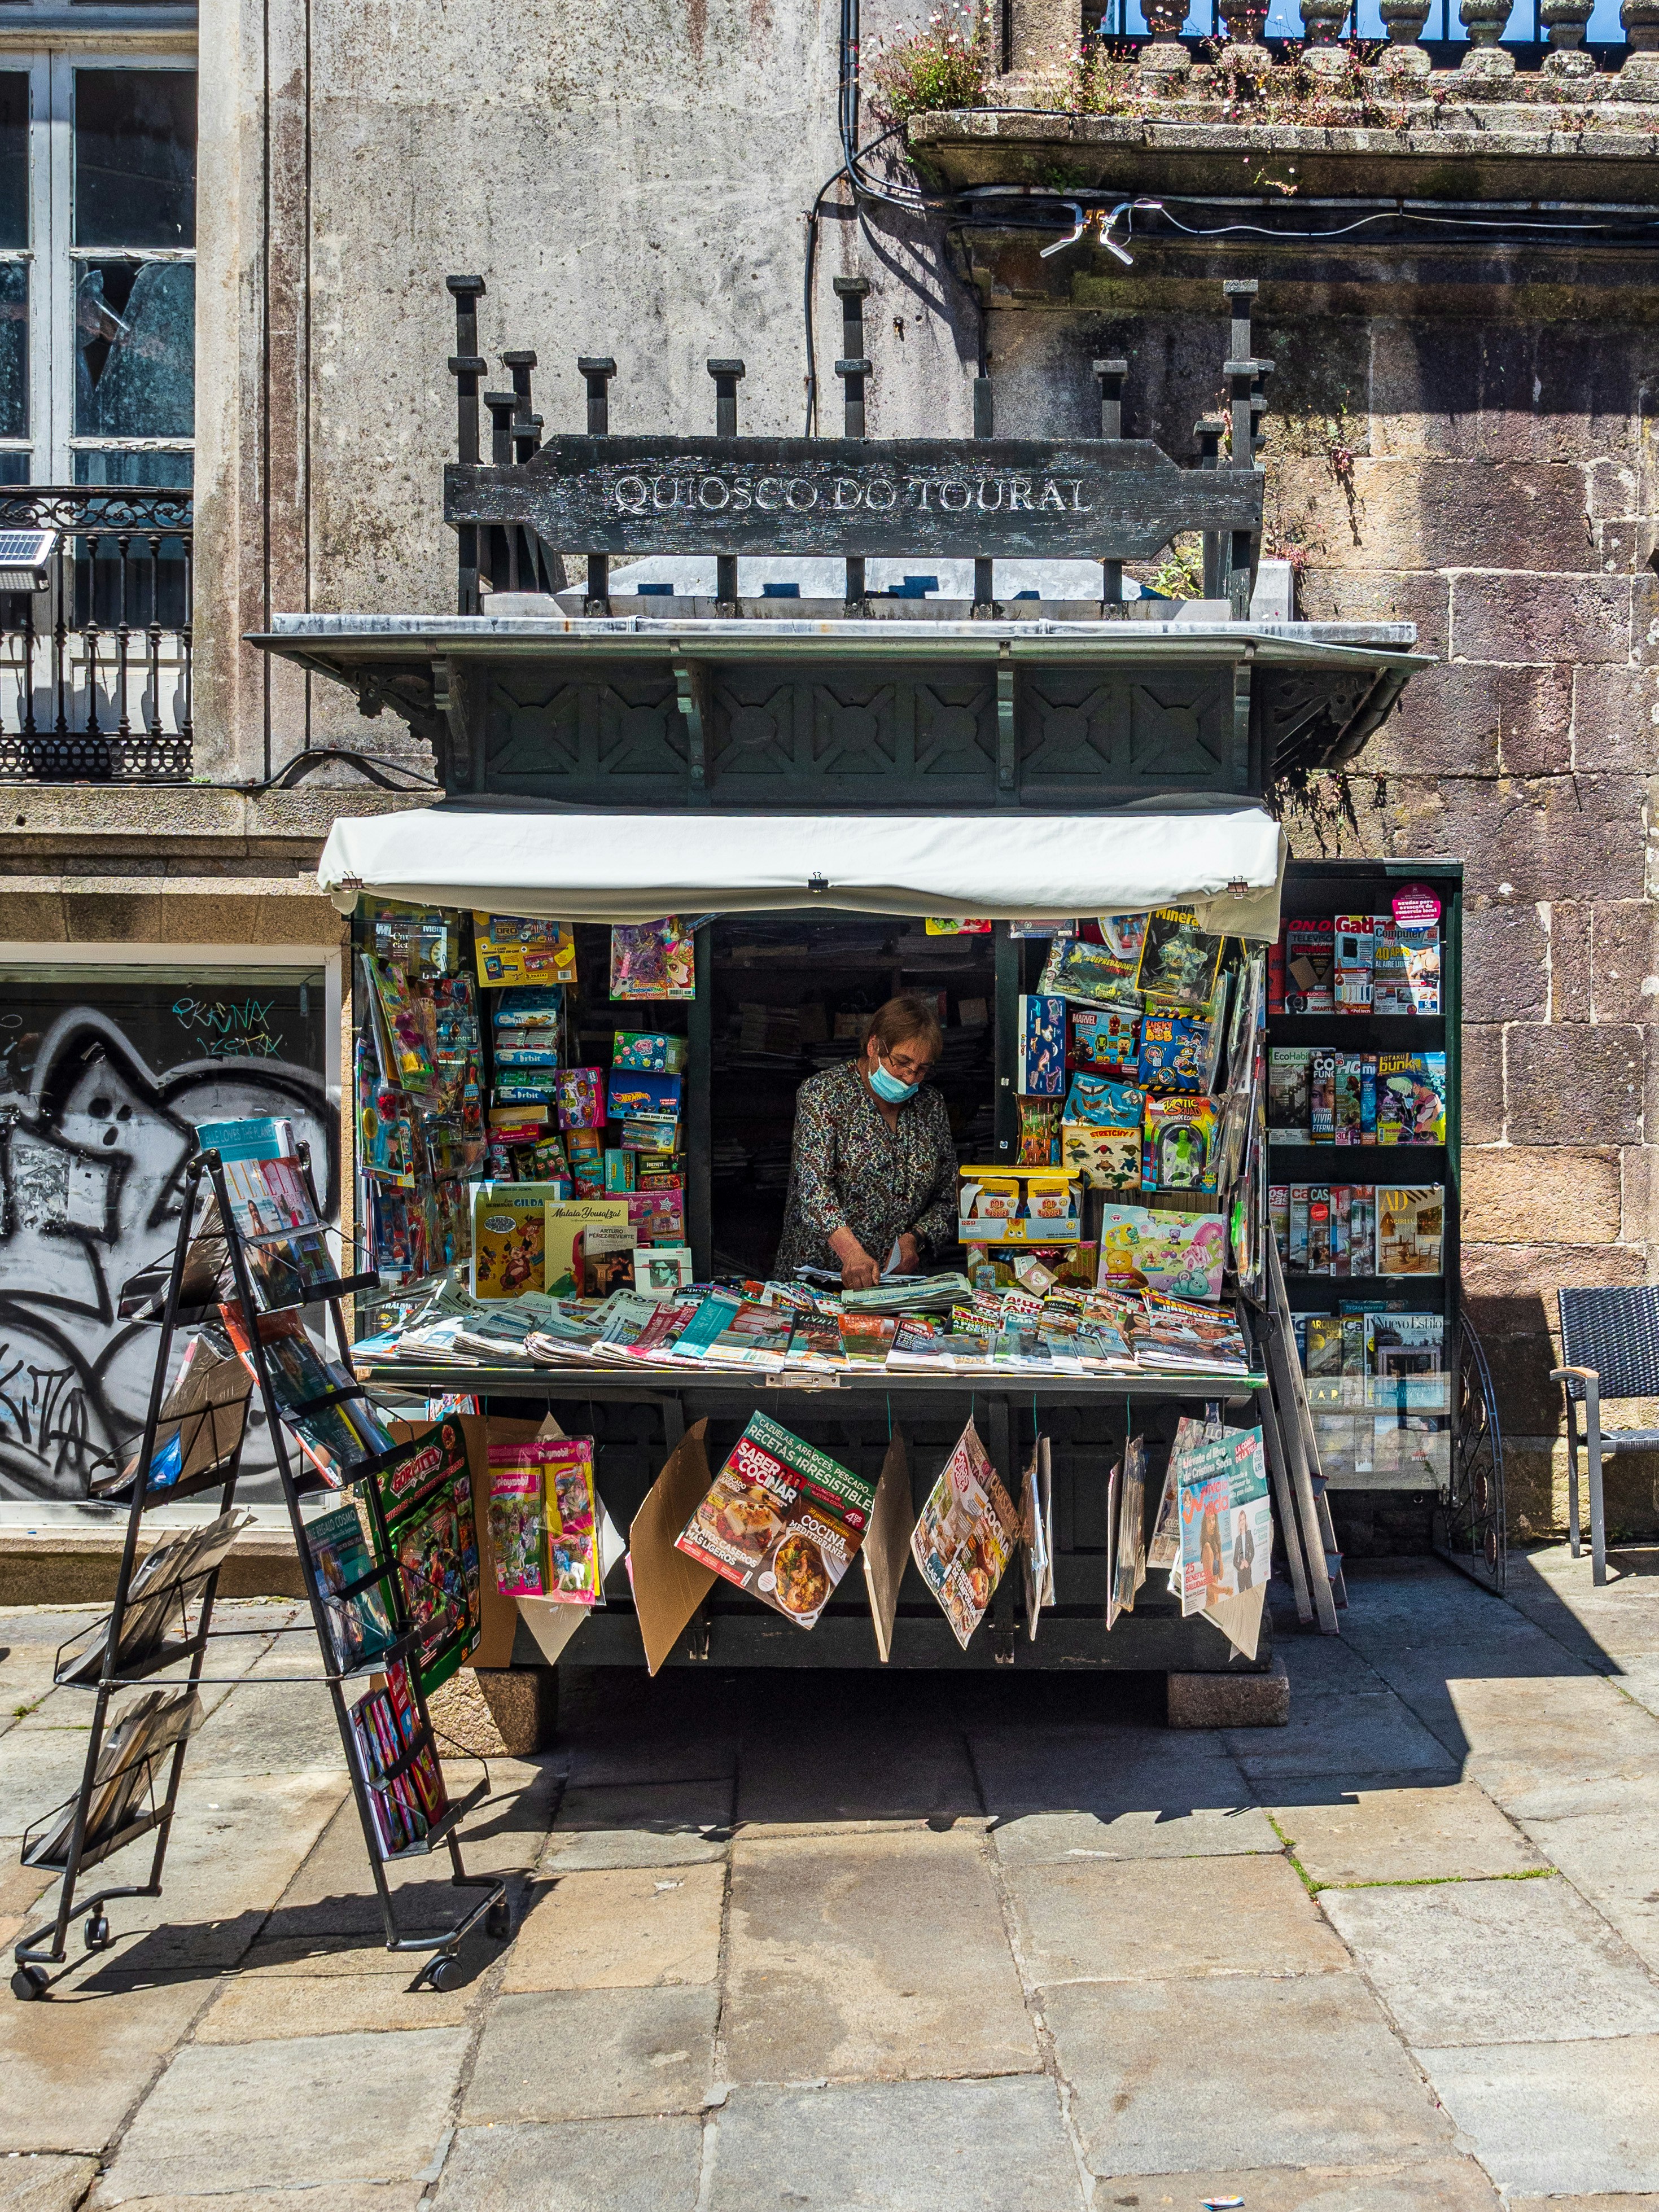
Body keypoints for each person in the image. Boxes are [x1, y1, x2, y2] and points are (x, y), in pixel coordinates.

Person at [774, 994, 958, 1289]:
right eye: (902, 1062)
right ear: (874, 1046)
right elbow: (813, 1186)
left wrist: (915, 1238)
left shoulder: (930, 1104)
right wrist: (851, 1253)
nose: (910, 1078)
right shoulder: (824, 1094)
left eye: (922, 1069)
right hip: (821, 1279)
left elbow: (949, 1195)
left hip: (896, 1284)